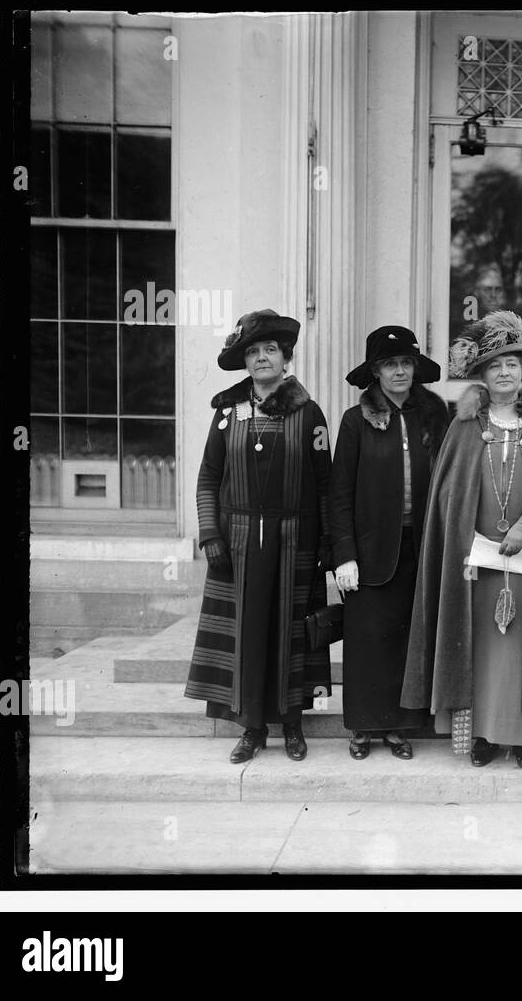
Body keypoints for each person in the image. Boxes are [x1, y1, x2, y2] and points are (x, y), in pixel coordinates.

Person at [402, 311, 522, 771]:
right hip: (474, 560)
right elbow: (448, 496)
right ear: (482, 374)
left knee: (521, 644)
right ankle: (480, 735)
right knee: (477, 644)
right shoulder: (463, 428)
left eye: (513, 365)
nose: (505, 373)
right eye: (496, 366)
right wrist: (465, 539)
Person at [185, 309, 333, 763]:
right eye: (254, 351)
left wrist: (327, 544)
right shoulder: (227, 412)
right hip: (240, 542)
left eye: (271, 349)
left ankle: (291, 724)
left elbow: (326, 483)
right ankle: (250, 728)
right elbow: (209, 476)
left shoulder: (310, 414)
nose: (263, 357)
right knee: (247, 633)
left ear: (285, 358)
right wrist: (211, 534)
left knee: (290, 632)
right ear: (245, 362)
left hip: (294, 542)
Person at [329, 326, 451, 760]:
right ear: (375, 372)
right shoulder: (355, 420)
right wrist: (344, 554)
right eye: (389, 364)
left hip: (422, 545)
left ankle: (399, 728)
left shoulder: (436, 414)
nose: (399, 371)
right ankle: (363, 727)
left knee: (406, 638)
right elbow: (339, 491)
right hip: (369, 548)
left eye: (405, 363)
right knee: (366, 639)